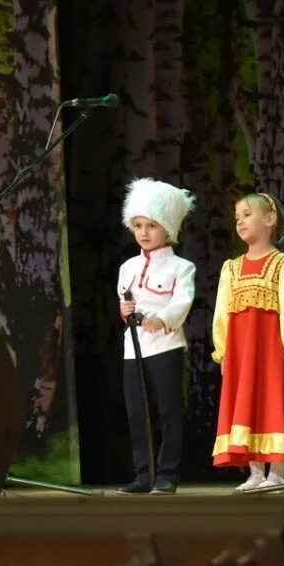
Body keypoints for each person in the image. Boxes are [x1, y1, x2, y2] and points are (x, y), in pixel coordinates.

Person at [211, 193, 284, 489]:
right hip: (241, 349)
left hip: (270, 349)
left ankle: (277, 472)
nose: (240, 220)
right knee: (245, 401)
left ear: (269, 219)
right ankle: (254, 472)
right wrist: (224, 351)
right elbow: (221, 312)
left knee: (272, 399)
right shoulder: (231, 267)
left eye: (246, 214)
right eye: (237, 216)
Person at [116, 178, 197, 495]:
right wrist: (125, 311)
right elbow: (123, 302)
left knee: (168, 410)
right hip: (133, 348)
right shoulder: (127, 267)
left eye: (151, 224)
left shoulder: (182, 266)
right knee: (138, 413)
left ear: (167, 228)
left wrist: (162, 319)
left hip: (165, 345)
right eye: (138, 225)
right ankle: (142, 473)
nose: (144, 232)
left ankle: (167, 473)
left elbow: (182, 301)